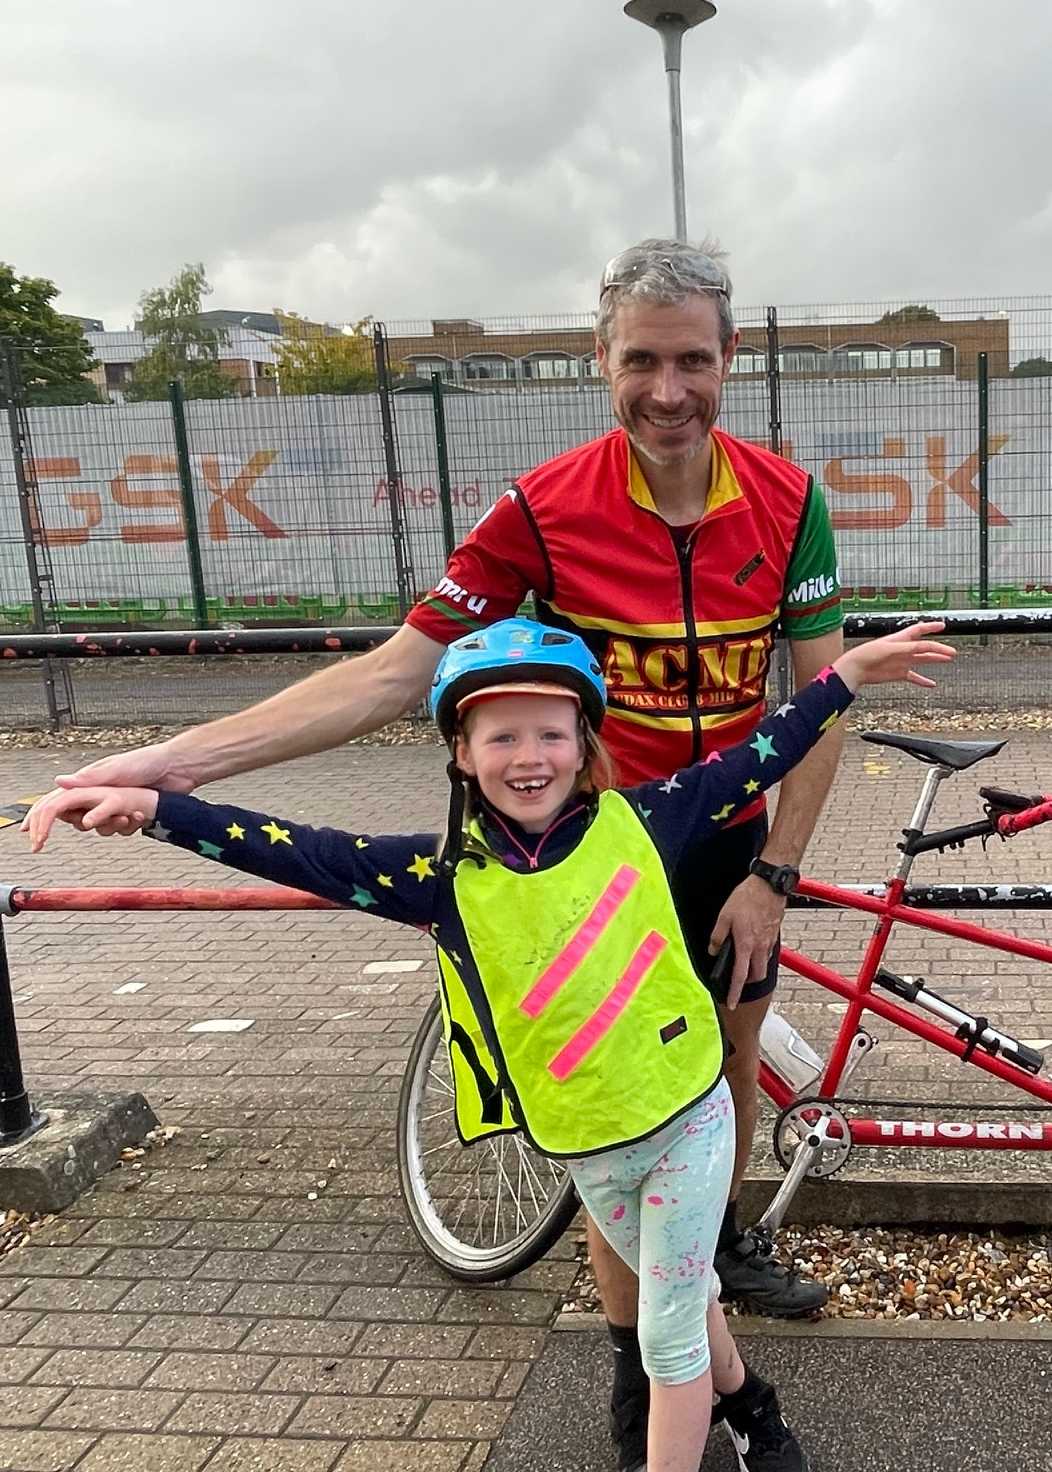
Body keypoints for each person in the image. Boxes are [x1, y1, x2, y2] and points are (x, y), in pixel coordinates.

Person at [31, 237, 847, 1470]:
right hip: (593, 852)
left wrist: (771, 876)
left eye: (692, 360)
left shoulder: (789, 500)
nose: (666, 390)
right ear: (600, 361)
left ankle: (715, 1272)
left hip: (720, 841)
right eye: (640, 360)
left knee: (721, 1074)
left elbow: (815, 700)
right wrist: (172, 769)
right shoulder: (542, 506)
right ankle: (644, 1382)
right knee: (606, 1113)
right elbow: (392, 676)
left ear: (728, 359)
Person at [26, 617, 954, 1472]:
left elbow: (754, 756)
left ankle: (727, 1429)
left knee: (668, 1333)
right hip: (585, 1142)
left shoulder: (645, 818)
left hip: (687, 1119)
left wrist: (845, 676)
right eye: (500, 735)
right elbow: (299, 849)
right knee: (687, 1293)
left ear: (585, 745)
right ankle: (755, 1406)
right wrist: (157, 809)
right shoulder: (438, 876)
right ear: (462, 756)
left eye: (551, 732)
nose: (529, 755)